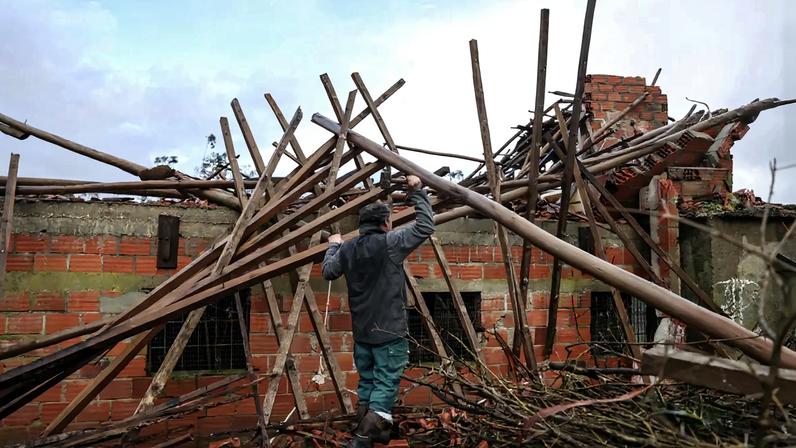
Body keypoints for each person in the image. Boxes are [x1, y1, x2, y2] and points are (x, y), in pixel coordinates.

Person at [322, 174, 434, 447]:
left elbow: (328, 271)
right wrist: (417, 190)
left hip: (362, 333)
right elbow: (425, 226)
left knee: (368, 384)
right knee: (385, 385)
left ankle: (374, 434)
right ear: (386, 223)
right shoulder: (391, 243)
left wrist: (333, 245)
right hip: (389, 332)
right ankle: (361, 440)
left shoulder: (347, 249)